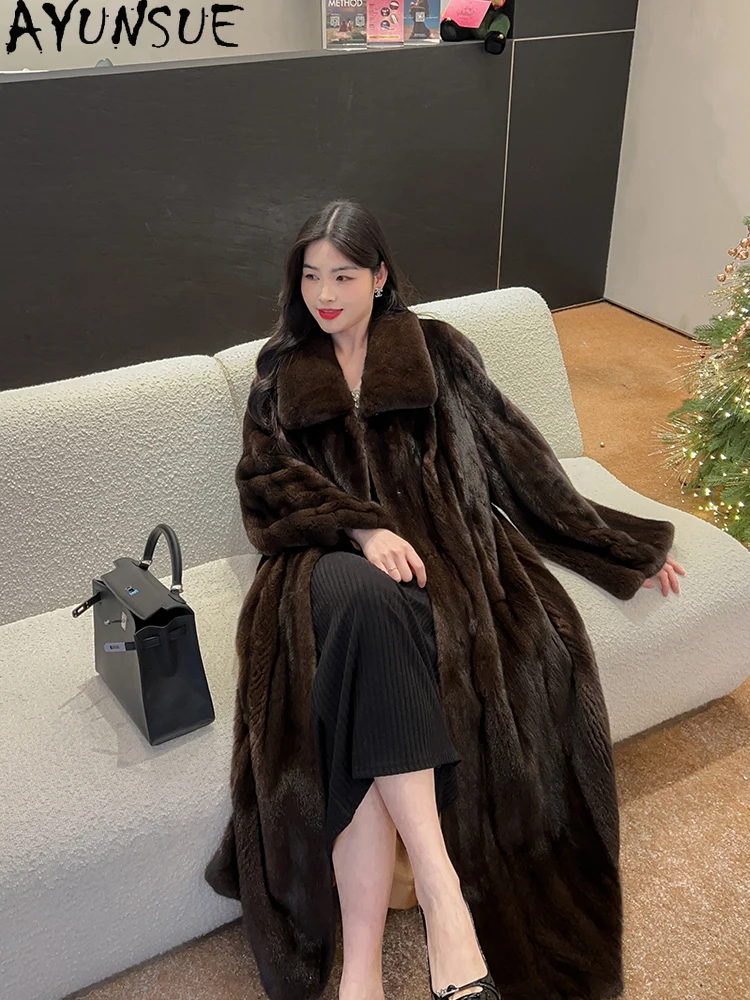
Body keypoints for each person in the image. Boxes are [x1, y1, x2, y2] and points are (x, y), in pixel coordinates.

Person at [205, 200, 685, 1000]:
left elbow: (517, 460)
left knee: (378, 659)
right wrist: (360, 527)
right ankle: (442, 891)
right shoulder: (279, 371)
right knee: (368, 606)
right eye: (312, 276)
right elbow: (264, 487)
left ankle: (363, 970)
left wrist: (619, 545)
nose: (325, 294)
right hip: (319, 566)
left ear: (379, 276)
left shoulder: (438, 353)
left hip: (442, 568)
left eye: (343, 276)